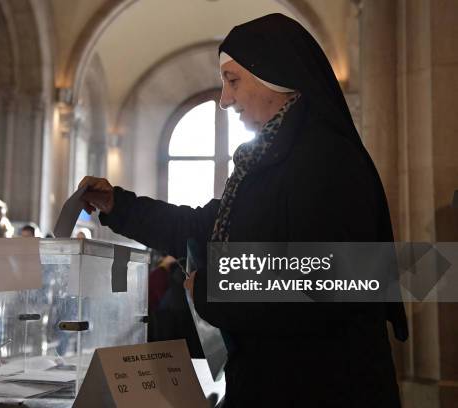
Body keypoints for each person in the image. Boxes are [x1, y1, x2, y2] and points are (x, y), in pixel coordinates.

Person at [79, 14, 407, 407]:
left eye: (233, 81)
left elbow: (328, 281)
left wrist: (209, 289)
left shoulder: (325, 159)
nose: (225, 99)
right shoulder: (270, 160)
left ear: (275, 75)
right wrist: (118, 204)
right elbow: (200, 225)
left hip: (321, 387)